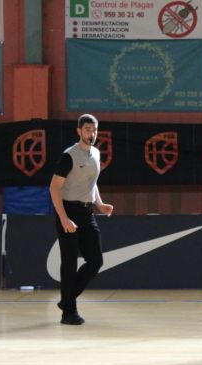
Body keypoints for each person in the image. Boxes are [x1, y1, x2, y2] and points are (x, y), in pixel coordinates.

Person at [49, 114, 114, 325]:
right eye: (87, 129)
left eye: (94, 130)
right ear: (79, 131)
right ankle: (69, 312)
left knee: (96, 260)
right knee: (68, 263)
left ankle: (66, 299)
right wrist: (64, 219)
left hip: (87, 213)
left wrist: (100, 204)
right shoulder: (69, 156)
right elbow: (54, 188)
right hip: (68, 211)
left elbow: (91, 183)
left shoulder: (95, 153)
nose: (91, 134)